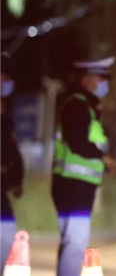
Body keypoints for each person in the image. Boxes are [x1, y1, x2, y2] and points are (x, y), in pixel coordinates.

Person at [52, 56, 116, 276]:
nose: (104, 84)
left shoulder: (84, 107)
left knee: (71, 240)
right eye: (101, 79)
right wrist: (103, 158)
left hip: (71, 184)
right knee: (76, 242)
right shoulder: (78, 106)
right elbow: (78, 142)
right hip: (75, 185)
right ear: (86, 79)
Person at [1, 53, 24, 273]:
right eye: (3, 77)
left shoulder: (5, 114)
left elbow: (11, 151)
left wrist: (16, 179)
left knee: (6, 231)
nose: (6, 82)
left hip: (3, 187)